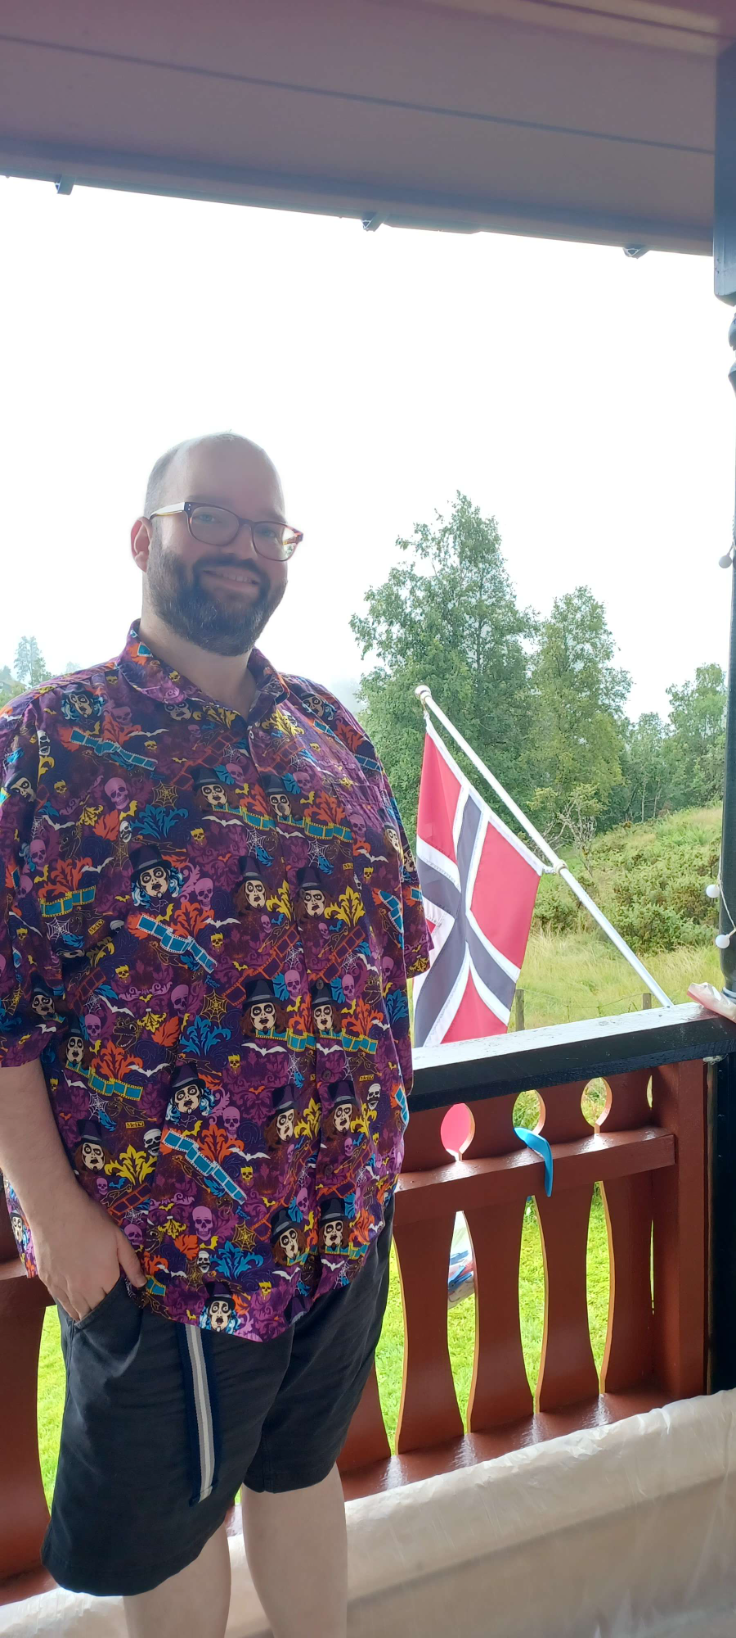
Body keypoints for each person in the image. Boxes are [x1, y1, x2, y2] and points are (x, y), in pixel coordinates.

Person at [0, 433, 430, 1638]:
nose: (243, 547)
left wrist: (376, 1167)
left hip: (336, 1229)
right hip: (165, 1248)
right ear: (145, 539)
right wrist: (55, 1214)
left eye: (267, 529)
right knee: (173, 1530)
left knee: (301, 1472)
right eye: (212, 519)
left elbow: (388, 959)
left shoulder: (332, 736)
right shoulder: (51, 743)